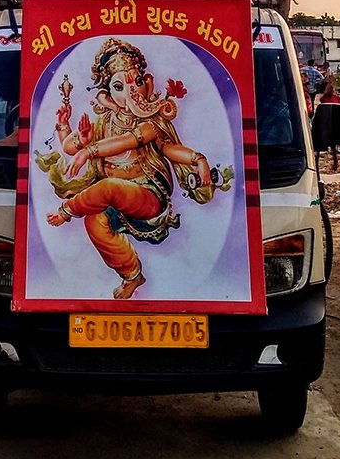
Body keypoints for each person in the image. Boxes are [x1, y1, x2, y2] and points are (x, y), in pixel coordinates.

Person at [42, 39, 224, 300]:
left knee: (108, 188)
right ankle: (132, 274)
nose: (131, 92)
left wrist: (197, 158)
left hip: (147, 196)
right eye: (120, 87)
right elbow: (70, 148)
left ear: (146, 83)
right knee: (95, 222)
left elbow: (151, 145)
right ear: (107, 94)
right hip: (115, 200)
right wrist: (66, 128)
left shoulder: (149, 123)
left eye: (136, 83)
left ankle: (66, 212)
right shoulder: (105, 121)